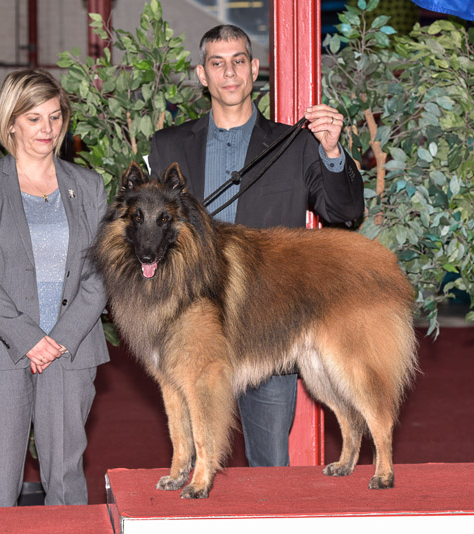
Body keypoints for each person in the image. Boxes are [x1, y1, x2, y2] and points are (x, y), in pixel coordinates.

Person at [149, 25, 364, 467]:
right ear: (202, 75)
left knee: (269, 469)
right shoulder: (167, 145)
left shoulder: (295, 144)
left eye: (239, 61)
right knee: (195, 470)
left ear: (255, 69)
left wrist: (332, 152)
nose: (230, 72)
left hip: (265, 328)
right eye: (217, 63)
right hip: (190, 327)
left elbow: (344, 213)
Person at [0, 69, 109, 506]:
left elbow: (101, 271)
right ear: (11, 123)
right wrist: (29, 338)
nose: (48, 129)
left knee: (66, 475)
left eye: (55, 117)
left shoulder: (89, 185)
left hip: (70, 348)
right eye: (34, 118)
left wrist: (57, 340)